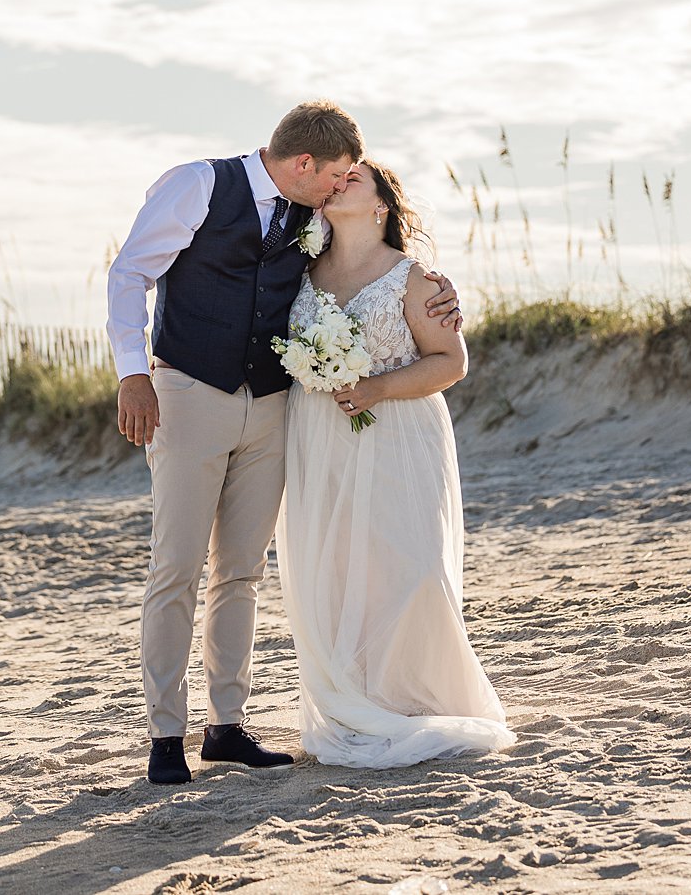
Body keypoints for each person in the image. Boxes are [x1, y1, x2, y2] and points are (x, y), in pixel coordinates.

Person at [107, 102, 463, 786]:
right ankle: (164, 733)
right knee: (175, 566)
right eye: (333, 177)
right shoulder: (198, 185)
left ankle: (226, 726)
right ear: (304, 165)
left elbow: (370, 276)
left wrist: (440, 291)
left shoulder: (313, 218)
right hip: (189, 393)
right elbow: (129, 274)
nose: (338, 189)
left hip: (272, 408)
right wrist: (132, 370)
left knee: (241, 569)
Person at [277, 158, 514, 768]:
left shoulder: (414, 279)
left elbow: (450, 362)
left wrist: (378, 388)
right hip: (319, 440)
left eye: (352, 178)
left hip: (398, 437)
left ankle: (420, 697)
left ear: (383, 203)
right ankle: (358, 698)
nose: (338, 183)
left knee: (407, 568)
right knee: (334, 572)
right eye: (333, 179)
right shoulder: (296, 273)